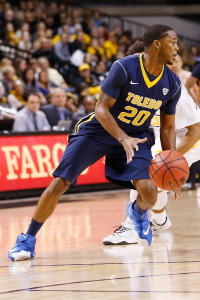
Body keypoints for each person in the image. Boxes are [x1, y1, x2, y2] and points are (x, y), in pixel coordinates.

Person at [8, 24, 181, 261]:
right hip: (97, 131)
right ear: (156, 44)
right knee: (60, 182)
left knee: (150, 194)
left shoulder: (172, 83)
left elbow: (168, 126)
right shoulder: (124, 67)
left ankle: (137, 212)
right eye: (173, 42)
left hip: (136, 137)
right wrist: (122, 138)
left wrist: (171, 162)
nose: (178, 48)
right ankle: (27, 239)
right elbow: (100, 108)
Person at [103, 45, 200, 246]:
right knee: (151, 178)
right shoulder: (137, 89)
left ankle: (130, 227)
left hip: (194, 139)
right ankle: (159, 220)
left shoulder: (172, 88)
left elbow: (195, 131)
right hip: (169, 142)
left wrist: (171, 161)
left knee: (149, 172)